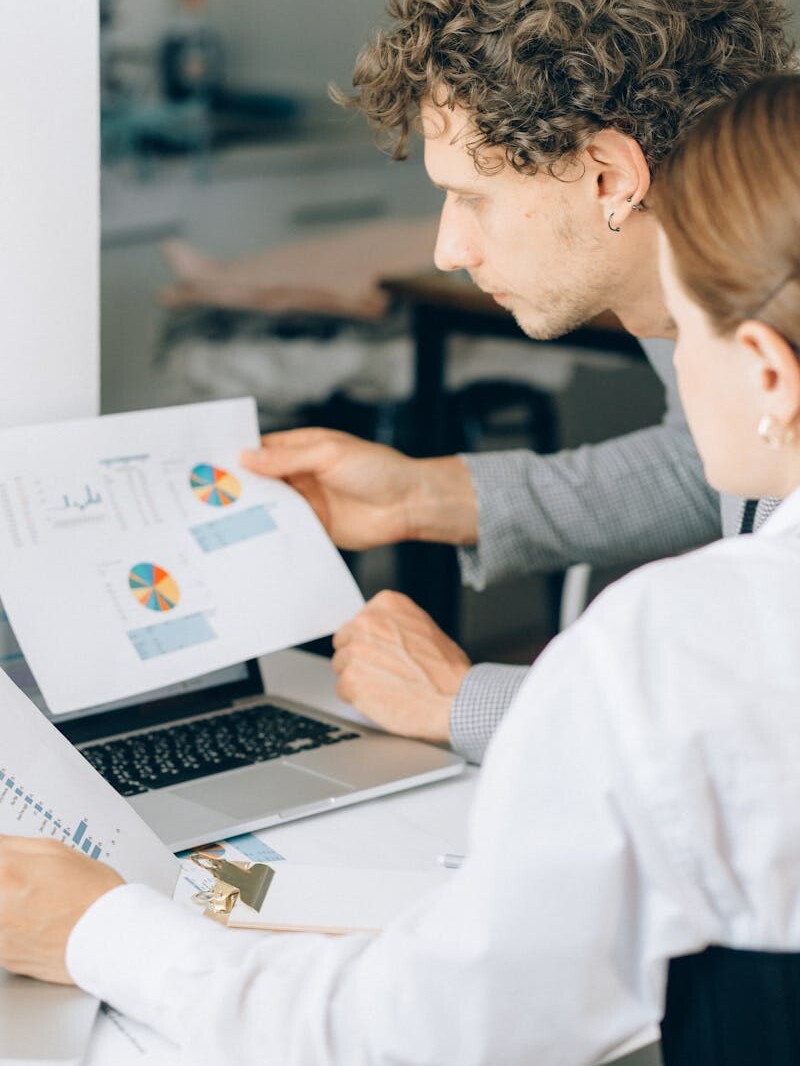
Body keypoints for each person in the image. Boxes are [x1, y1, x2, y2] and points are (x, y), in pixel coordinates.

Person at [3, 70, 800, 1065]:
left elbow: (416, 1031)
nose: (672, 381)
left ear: (767, 370)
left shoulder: (676, 644)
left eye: (681, 333)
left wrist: (96, 929)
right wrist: (422, 497)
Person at [239, 0, 794, 764]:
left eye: (473, 197)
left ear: (611, 181)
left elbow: (754, 745)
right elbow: (730, 470)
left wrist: (468, 701)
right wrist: (419, 496)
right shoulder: (716, 285)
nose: (448, 248)